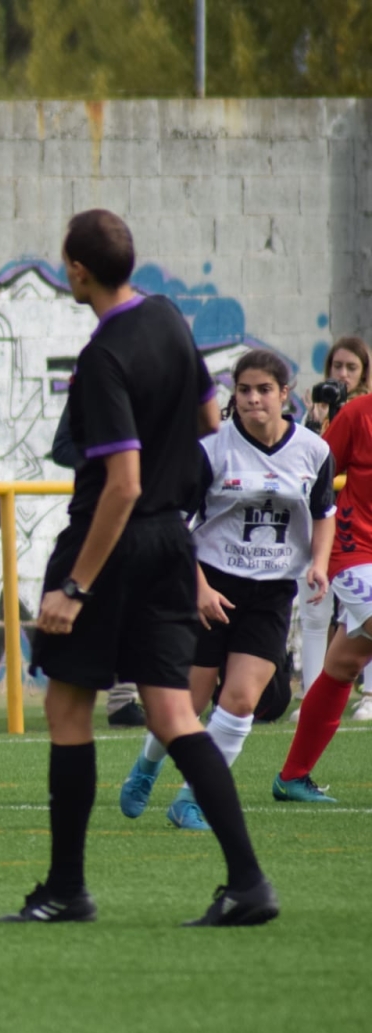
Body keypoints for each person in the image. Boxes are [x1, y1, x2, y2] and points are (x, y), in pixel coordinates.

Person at [8, 208, 275, 926]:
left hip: (111, 541)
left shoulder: (102, 357)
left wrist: (74, 587)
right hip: (169, 542)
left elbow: (120, 485)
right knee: (173, 711)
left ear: (77, 270)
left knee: (67, 709)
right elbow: (209, 423)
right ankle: (248, 884)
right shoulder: (166, 319)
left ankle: (67, 890)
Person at [117, 350, 331, 827]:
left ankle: (193, 800)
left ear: (284, 394)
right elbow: (176, 523)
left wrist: (317, 564)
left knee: (240, 702)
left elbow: (323, 515)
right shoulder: (212, 447)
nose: (253, 399)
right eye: (244, 389)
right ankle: (147, 766)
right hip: (209, 582)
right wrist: (198, 589)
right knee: (186, 705)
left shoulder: (313, 450)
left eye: (264, 390)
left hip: (272, 593)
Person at [48, 396, 147, 729]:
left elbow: (203, 426)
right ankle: (117, 697)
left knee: (139, 608)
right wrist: (107, 464)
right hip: (97, 516)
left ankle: (129, 696)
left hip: (150, 518)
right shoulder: (89, 388)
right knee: (100, 604)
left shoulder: (162, 386)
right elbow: (62, 447)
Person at [297, 336, 372, 722]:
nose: (341, 375)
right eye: (336, 367)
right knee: (316, 613)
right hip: (347, 537)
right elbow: (317, 465)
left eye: (351, 367)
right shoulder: (351, 414)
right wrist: (316, 418)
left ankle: (369, 695)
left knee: (352, 639)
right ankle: (310, 692)